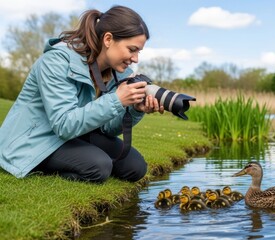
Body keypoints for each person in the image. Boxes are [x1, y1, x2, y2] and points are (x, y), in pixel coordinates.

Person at [0, 5, 164, 183]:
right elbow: (64, 125)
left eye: (138, 51)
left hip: (76, 134)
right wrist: (117, 99)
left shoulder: (118, 73)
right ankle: (34, 165)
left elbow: (107, 128)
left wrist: (134, 109)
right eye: (132, 49)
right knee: (98, 167)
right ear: (108, 39)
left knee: (135, 167)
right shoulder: (56, 61)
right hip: (35, 139)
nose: (135, 59)